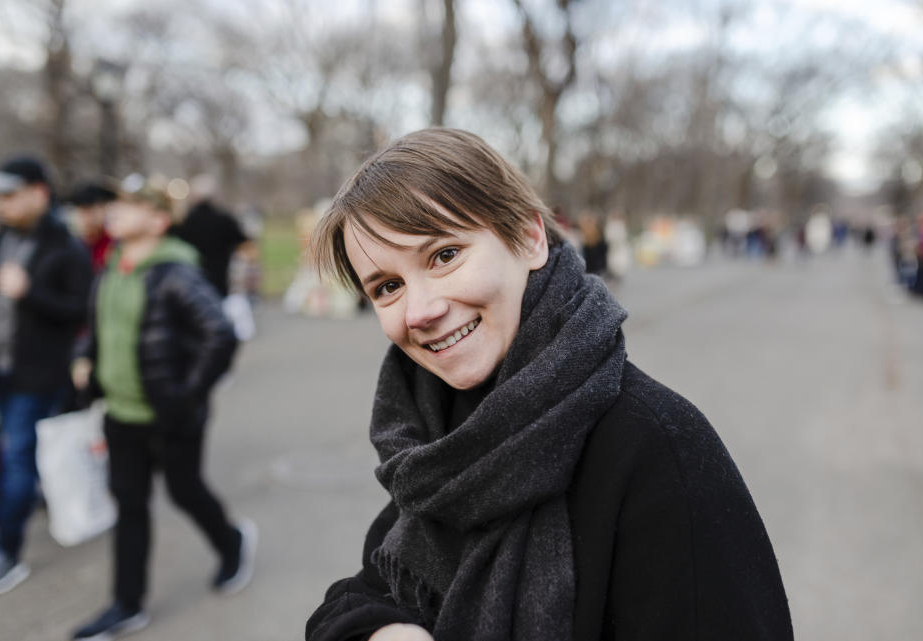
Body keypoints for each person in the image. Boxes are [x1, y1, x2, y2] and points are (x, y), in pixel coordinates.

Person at [305, 129, 793, 641]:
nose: (421, 311)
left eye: (444, 256)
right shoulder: (433, 430)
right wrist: (384, 631)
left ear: (530, 238)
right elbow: (372, 586)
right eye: (388, 287)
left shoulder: (658, 447)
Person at [69, 173, 256, 640]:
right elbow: (96, 327)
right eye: (114, 204)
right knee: (130, 506)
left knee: (184, 490)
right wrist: (83, 359)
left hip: (170, 415)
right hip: (121, 415)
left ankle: (233, 544)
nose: (115, 211)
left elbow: (221, 334)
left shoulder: (176, 271)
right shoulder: (113, 265)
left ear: (157, 220)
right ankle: (127, 604)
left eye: (129, 205)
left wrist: (186, 396)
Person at [0, 156, 93, 597]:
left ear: (38, 193)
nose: (1, 205)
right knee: (16, 453)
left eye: (10, 195)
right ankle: (32, 499)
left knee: (17, 458)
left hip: (39, 375)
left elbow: (81, 309)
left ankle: (7, 552)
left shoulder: (66, 245)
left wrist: (31, 293)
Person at [174, 174, 248, 298]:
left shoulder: (185, 220)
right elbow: (241, 239)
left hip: (193, 278)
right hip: (220, 277)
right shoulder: (224, 218)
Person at [66, 180, 117, 271]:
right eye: (82, 212)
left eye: (91, 211)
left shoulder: (114, 245)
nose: (87, 219)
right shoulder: (71, 246)